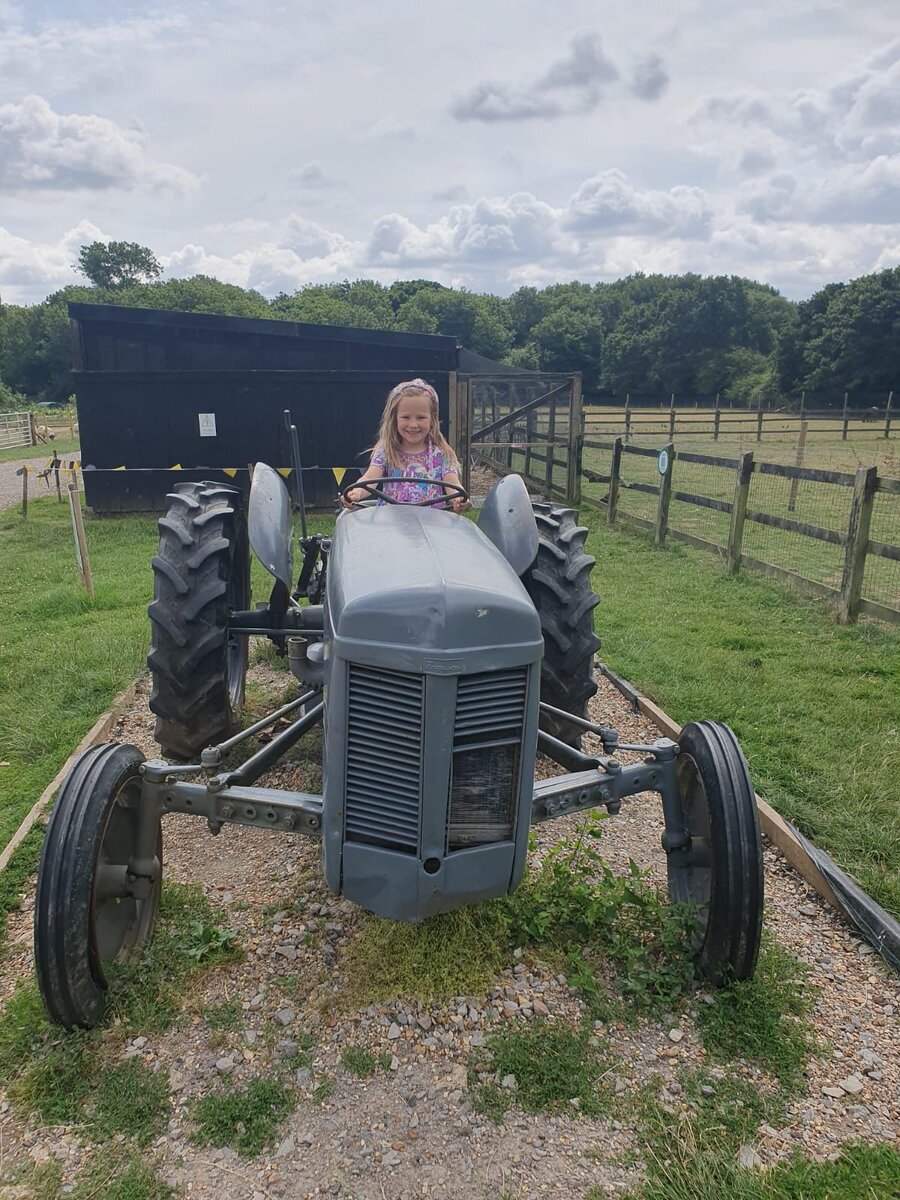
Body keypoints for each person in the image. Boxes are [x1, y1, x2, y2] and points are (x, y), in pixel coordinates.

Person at [342, 378, 470, 511]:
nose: (413, 425)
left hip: (431, 524)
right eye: (406, 417)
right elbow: (370, 478)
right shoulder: (386, 451)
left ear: (432, 419)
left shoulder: (441, 454)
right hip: (392, 523)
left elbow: (453, 484)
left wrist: (458, 498)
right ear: (395, 418)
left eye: (421, 417)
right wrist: (356, 492)